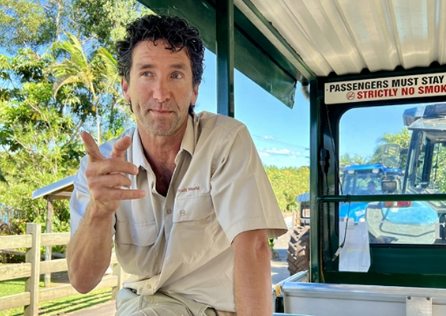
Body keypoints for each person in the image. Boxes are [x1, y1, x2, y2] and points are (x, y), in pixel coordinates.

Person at [66, 15, 287, 316]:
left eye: (176, 75)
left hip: (214, 308)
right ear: (126, 87)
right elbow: (82, 281)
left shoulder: (226, 141)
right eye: (146, 74)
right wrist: (99, 211)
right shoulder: (102, 167)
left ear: (195, 89)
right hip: (140, 304)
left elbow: (253, 248)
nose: (160, 94)